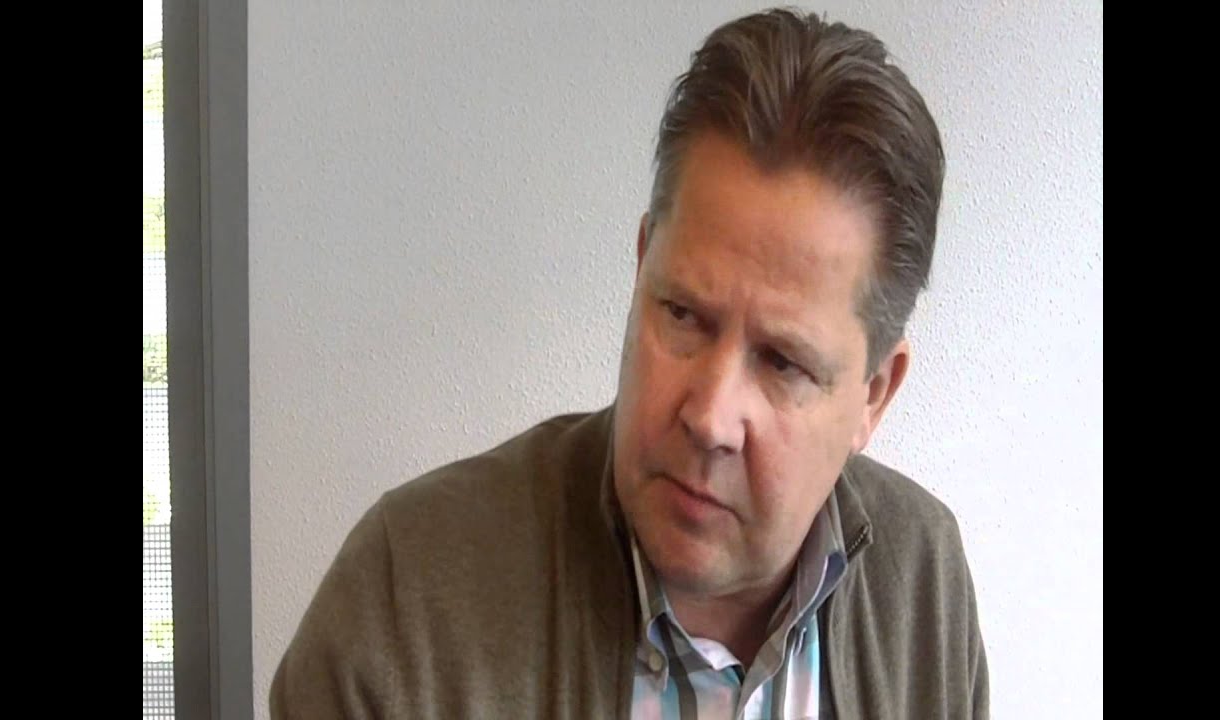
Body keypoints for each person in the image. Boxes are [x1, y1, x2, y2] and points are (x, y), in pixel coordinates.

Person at [271, 7, 989, 719]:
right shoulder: (407, 599)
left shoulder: (923, 581)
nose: (710, 418)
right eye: (682, 314)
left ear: (873, 395)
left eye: (782, 362)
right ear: (643, 265)